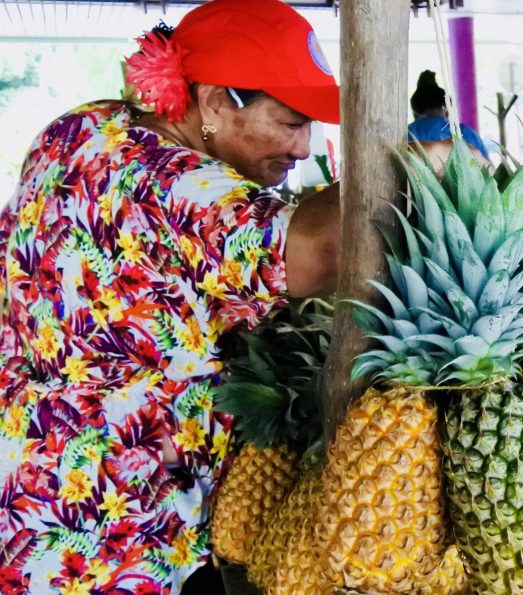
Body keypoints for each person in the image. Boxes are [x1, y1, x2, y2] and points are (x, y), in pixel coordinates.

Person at [0, 0, 440, 592]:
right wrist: (420, 165)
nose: (305, 147)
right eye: (289, 121)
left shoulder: (83, 126)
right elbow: (329, 249)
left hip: (29, 482)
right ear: (211, 101)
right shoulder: (175, 185)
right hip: (113, 524)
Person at [408, 70, 491, 160]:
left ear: (415, 110)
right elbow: (487, 168)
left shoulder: (407, 131)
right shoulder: (463, 131)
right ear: (445, 107)